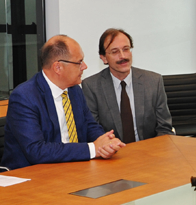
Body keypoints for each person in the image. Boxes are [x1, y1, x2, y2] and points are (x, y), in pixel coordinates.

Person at [0, 35, 126, 170]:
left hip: (73, 168)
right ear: (58, 67)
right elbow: (36, 151)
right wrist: (93, 148)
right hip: (31, 176)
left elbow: (89, 126)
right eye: (79, 62)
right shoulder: (24, 97)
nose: (84, 66)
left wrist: (106, 143)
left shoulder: (74, 90)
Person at [82, 28, 173, 143]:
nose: (122, 56)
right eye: (115, 52)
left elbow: (164, 128)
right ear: (104, 58)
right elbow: (92, 130)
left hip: (149, 151)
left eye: (126, 49)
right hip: (112, 155)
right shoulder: (91, 86)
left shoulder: (154, 81)